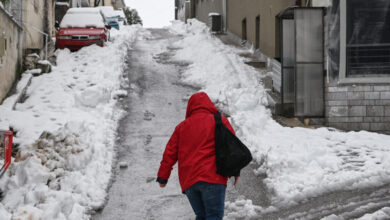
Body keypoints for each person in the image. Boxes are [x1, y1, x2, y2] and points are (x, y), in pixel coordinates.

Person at [156, 92, 239, 220]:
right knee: (213, 216)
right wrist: (235, 171)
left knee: (202, 216)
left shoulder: (181, 127)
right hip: (213, 178)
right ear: (209, 105)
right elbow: (232, 147)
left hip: (190, 182)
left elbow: (169, 153)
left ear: (190, 107)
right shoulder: (219, 121)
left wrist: (163, 177)